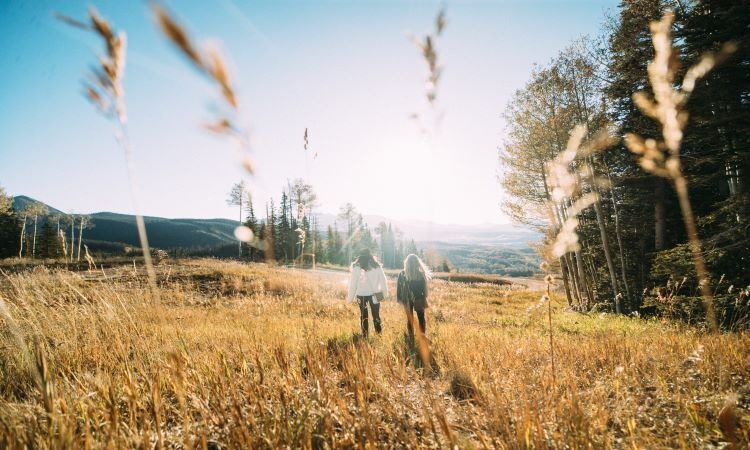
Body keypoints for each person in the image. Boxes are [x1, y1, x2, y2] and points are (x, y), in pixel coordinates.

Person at [346, 248, 388, 337]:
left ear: (360, 257)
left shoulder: (356, 268)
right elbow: (384, 281)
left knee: (363, 316)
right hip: (377, 293)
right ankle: (379, 335)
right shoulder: (377, 266)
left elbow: (353, 285)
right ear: (370, 256)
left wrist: (349, 299)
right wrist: (385, 294)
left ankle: (365, 335)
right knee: (376, 315)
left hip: (361, 294)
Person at [397, 253, 431, 338]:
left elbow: (399, 288)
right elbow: (425, 290)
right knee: (421, 318)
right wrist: (424, 297)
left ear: (406, 263)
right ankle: (422, 336)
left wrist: (400, 299)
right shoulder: (420, 274)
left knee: (410, 319)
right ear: (417, 262)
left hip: (406, 299)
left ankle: (411, 336)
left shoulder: (402, 274)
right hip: (419, 298)